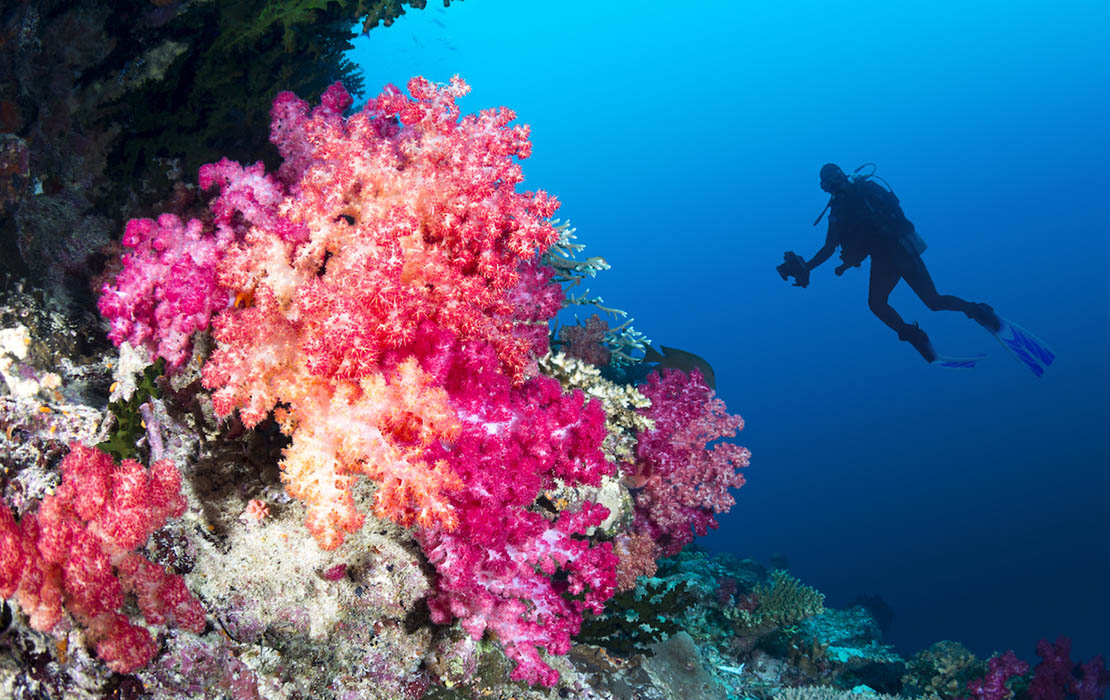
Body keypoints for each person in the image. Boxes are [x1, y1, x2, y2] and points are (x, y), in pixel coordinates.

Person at [783, 163, 1000, 363]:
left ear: (827, 186)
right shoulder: (865, 191)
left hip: (888, 258)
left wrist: (808, 267)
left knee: (880, 304)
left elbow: (829, 248)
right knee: (932, 301)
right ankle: (976, 312)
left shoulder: (840, 208)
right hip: (902, 252)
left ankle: (916, 336)